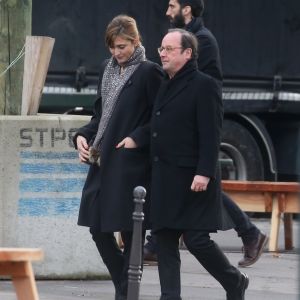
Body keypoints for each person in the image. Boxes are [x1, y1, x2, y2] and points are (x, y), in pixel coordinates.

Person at [144, 0, 268, 268]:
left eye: (172, 5)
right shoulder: (190, 38)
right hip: (185, 120)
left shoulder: (202, 41)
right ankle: (158, 241)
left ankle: (249, 232)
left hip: (196, 121)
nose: (167, 12)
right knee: (193, 179)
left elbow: (194, 84)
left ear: (187, 9)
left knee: (203, 181)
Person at [150, 28, 249, 300]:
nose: (162, 53)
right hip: (164, 177)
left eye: (169, 49)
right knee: (165, 238)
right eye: (161, 48)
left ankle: (234, 282)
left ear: (187, 53)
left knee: (196, 240)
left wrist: (204, 172)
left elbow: (211, 133)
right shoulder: (164, 82)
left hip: (193, 178)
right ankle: (170, 296)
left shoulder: (204, 85)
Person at [73, 15, 163, 300]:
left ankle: (125, 292)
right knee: (97, 229)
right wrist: (80, 136)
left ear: (136, 42)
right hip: (103, 161)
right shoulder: (109, 70)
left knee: (129, 231)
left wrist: (137, 137)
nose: (116, 53)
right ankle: (125, 287)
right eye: (112, 47)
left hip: (131, 164)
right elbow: (101, 116)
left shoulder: (149, 72)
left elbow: (162, 118)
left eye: (122, 46)